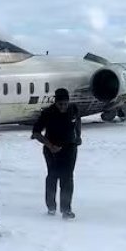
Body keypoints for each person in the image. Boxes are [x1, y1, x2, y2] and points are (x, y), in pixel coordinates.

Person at [32, 88, 82, 219]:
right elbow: (36, 133)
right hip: (51, 149)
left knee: (68, 177)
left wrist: (78, 136)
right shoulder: (48, 113)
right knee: (53, 176)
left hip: (70, 147)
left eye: (65, 104)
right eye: (60, 104)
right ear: (55, 102)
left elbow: (77, 121)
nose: (63, 107)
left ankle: (66, 209)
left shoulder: (73, 109)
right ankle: (51, 206)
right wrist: (50, 145)